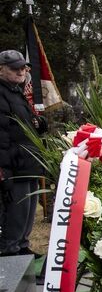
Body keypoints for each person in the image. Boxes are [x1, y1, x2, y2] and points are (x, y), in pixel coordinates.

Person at [0, 50, 48, 257]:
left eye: (23, 67)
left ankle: (21, 246)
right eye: (14, 68)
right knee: (16, 215)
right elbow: (1, 135)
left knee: (28, 213)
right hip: (14, 165)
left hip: (28, 163)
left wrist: (40, 123)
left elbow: (29, 124)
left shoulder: (16, 91)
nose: (21, 71)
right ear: (1, 70)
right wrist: (4, 170)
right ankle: (10, 251)